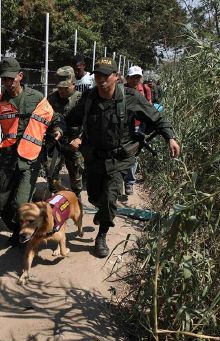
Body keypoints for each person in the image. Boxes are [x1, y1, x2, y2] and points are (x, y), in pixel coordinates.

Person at [66, 57, 180, 258]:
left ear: (116, 77)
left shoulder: (131, 97)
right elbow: (71, 120)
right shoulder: (89, 98)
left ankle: (101, 235)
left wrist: (170, 137)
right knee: (94, 196)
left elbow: (157, 118)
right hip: (93, 158)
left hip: (118, 158)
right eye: (97, 75)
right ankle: (103, 212)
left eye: (105, 75)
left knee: (110, 197)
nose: (101, 79)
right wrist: (66, 133)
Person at [0, 57, 63, 245]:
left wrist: (57, 130)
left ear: (20, 76)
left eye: (10, 78)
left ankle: (24, 234)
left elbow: (53, 118)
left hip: (30, 159)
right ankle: (18, 227)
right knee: (3, 205)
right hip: (8, 159)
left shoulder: (36, 98)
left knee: (20, 204)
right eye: (4, 79)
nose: (7, 83)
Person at [45, 66, 84, 198]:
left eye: (65, 88)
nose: (61, 91)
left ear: (73, 84)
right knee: (51, 172)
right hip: (55, 142)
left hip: (74, 143)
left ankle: (76, 197)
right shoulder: (51, 98)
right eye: (59, 87)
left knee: (76, 173)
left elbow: (89, 124)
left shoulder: (81, 100)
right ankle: (57, 198)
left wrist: (80, 139)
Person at [122, 65, 153, 196]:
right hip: (123, 126)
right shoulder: (120, 91)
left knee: (133, 154)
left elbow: (149, 107)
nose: (135, 80)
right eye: (133, 77)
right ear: (127, 78)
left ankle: (129, 182)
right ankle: (118, 182)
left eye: (138, 77)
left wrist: (144, 127)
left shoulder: (144, 89)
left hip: (138, 125)